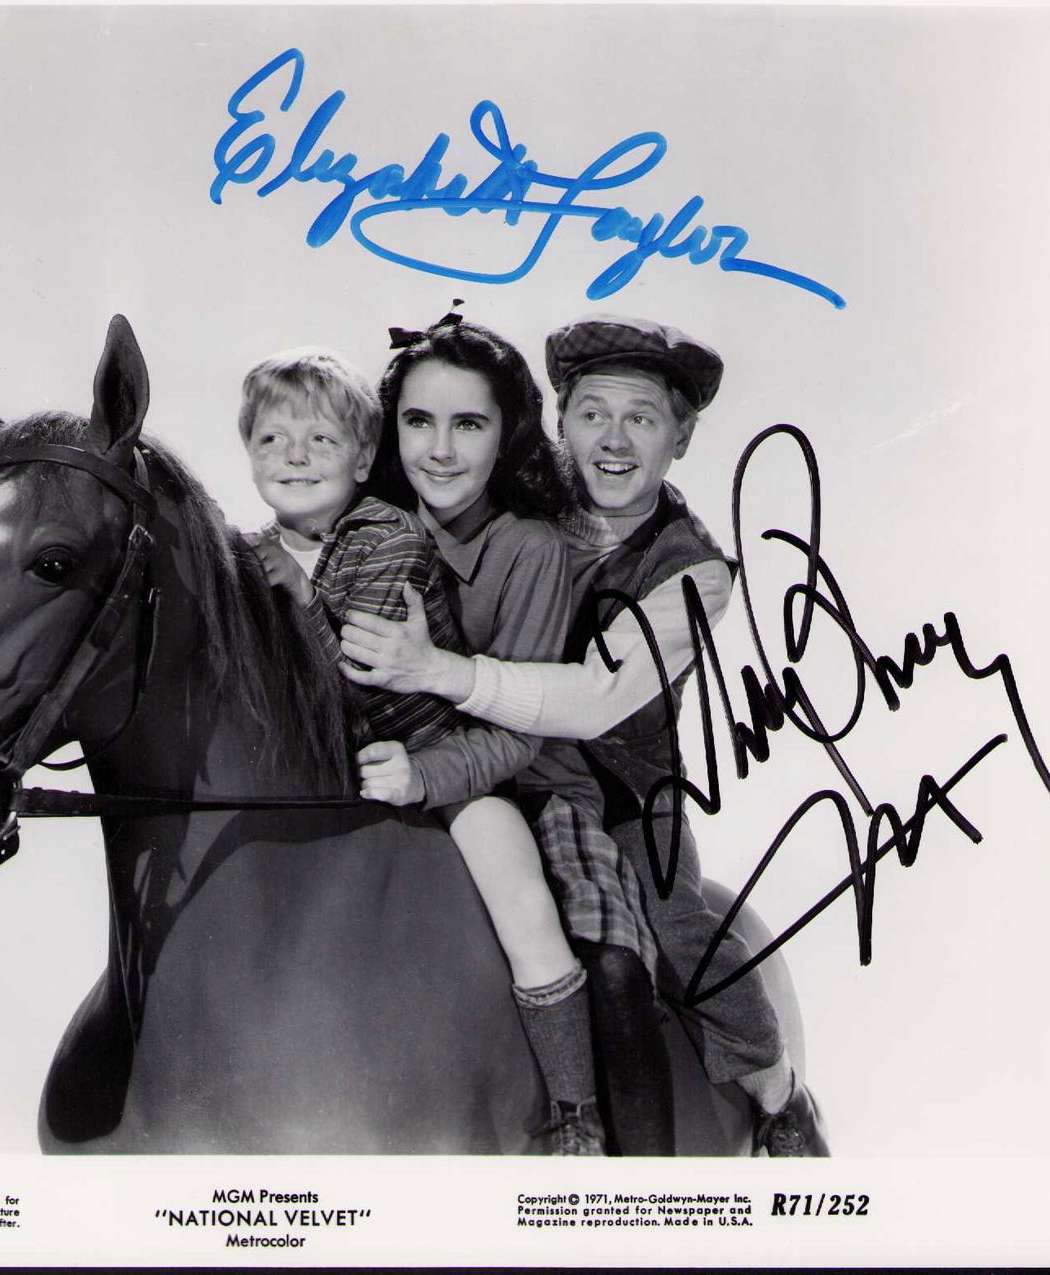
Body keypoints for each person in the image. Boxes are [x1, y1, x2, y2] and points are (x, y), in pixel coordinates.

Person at [340, 314, 829, 1156]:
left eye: (641, 418)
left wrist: (440, 673)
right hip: (486, 761)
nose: (612, 439)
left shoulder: (694, 571)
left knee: (671, 935)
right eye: (592, 412)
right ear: (560, 421)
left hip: (622, 787)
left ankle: (773, 1094)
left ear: (681, 436)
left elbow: (599, 696)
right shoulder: (527, 493)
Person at [236, 344, 607, 1154]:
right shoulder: (242, 555)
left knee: (526, 904)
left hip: (450, 759)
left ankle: (576, 1111)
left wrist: (422, 775)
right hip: (324, 773)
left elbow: (347, 673)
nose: (296, 458)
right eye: (272, 441)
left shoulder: (386, 535)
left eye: (320, 442)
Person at [338, 318, 677, 1156]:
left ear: (508, 436)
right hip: (388, 773)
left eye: (470, 425)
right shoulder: (362, 531)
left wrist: (421, 773)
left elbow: (516, 738)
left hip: (527, 786)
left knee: (614, 959)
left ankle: (625, 1165)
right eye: (419, 422)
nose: (441, 450)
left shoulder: (527, 547)